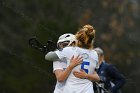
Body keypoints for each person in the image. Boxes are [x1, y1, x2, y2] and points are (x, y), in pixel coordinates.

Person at [45, 24, 100, 93]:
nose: (63, 47)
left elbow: (47, 57)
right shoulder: (94, 54)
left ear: (75, 41)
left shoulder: (69, 50)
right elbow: (97, 77)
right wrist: (87, 76)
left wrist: (71, 66)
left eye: (65, 44)